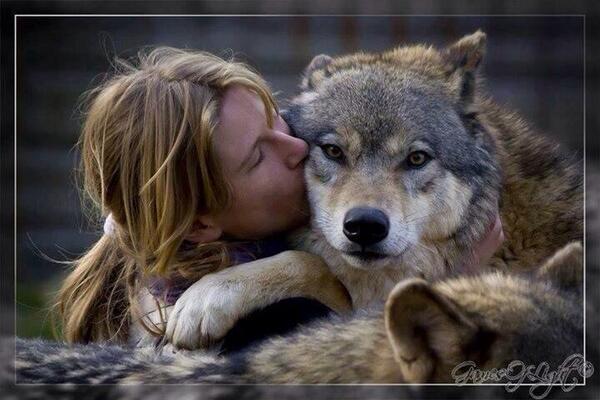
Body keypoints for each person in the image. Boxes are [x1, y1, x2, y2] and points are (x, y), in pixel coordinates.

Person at [54, 46, 503, 346]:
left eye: (277, 123)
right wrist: (449, 294)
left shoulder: (161, 252)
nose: (298, 148)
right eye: (256, 157)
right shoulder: (275, 326)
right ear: (199, 224)